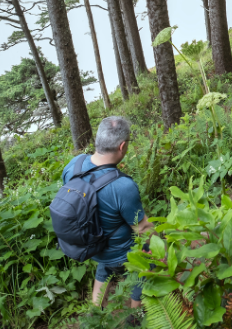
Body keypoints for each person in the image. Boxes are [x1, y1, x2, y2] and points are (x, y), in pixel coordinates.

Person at [60, 117, 153, 321]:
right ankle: (135, 316)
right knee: (148, 257)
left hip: (90, 247)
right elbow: (143, 229)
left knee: (106, 259)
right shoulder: (122, 186)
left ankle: (95, 313)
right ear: (122, 146)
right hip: (120, 255)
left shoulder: (73, 165)